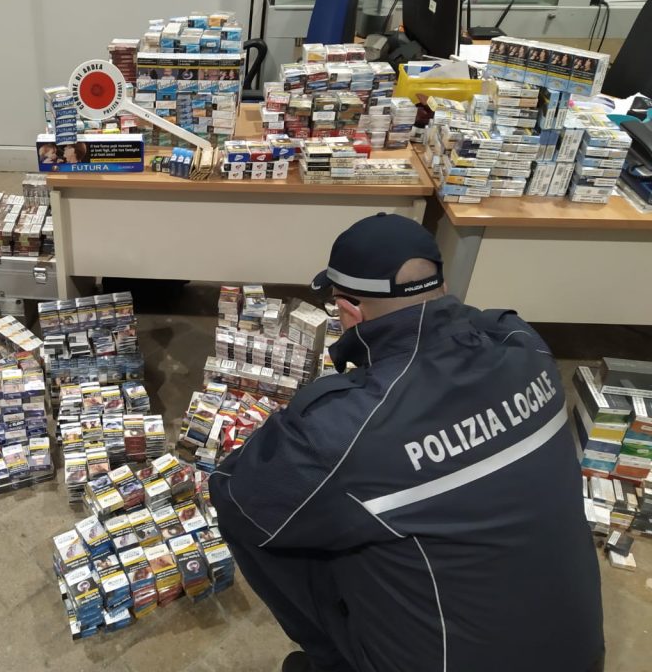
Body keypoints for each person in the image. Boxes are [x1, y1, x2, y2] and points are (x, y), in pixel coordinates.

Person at [209, 213, 604, 672]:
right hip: (580, 654)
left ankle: (335, 659)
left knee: (282, 513)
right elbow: (478, 324)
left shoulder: (345, 427)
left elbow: (237, 493)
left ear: (348, 310)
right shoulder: (526, 348)